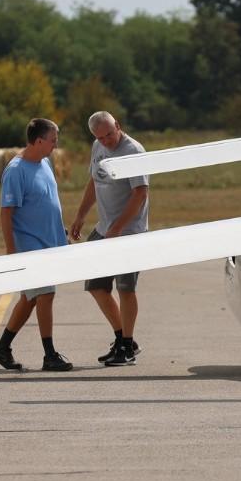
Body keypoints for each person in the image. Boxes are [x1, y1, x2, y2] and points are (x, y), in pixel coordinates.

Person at [0, 118, 73, 372]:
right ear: (38, 141)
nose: (56, 145)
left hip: (48, 242)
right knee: (45, 294)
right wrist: (11, 251)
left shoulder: (45, 162)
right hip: (29, 245)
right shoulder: (16, 170)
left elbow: (47, 200)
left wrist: (59, 231)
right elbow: (6, 212)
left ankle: (2, 348)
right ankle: (50, 355)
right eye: (53, 140)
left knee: (29, 298)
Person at [70, 111, 150, 366]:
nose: (106, 141)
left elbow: (140, 194)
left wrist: (118, 228)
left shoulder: (133, 151)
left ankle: (126, 346)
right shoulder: (98, 147)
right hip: (104, 229)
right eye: (100, 137)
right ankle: (122, 338)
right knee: (96, 286)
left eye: (109, 135)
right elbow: (94, 182)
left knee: (125, 288)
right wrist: (81, 215)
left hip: (129, 232)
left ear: (118, 125)